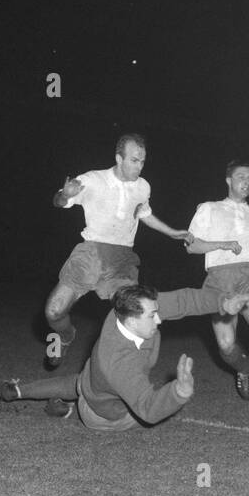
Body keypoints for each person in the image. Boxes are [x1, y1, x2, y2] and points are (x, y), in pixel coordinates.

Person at [0, 284, 249, 428]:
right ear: (131, 320)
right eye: (152, 316)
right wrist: (178, 392)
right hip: (102, 415)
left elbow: (183, 300)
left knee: (82, 382)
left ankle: (17, 391)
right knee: (132, 412)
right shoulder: (120, 364)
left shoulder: (125, 311)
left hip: (90, 380)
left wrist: (222, 302)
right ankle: (69, 411)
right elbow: (149, 409)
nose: (159, 318)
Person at [44, 134, 192, 369]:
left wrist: (172, 232)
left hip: (122, 260)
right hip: (90, 253)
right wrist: (65, 195)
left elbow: (144, 214)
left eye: (143, 162)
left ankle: (125, 371)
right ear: (118, 158)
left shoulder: (143, 187)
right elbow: (58, 202)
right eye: (134, 161)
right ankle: (66, 336)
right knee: (53, 312)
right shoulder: (93, 180)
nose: (139, 167)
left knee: (132, 314)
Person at [186, 161, 249, 410]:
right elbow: (191, 246)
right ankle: (243, 369)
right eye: (242, 177)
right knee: (226, 345)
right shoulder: (209, 208)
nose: (247, 182)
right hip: (219, 278)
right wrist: (220, 245)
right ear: (229, 180)